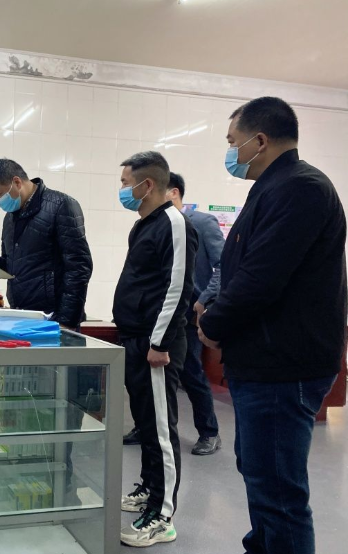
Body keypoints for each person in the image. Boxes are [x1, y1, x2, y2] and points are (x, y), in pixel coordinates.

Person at [198, 97, 347, 554]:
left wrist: (214, 323)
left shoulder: (300, 188)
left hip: (283, 366)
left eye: (232, 142)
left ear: (259, 140)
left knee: (279, 495)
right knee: (262, 477)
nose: (230, 151)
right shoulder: (274, 187)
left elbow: (261, 277)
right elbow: (244, 269)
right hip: (265, 362)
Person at [113, 151, 197, 547]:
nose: (121, 189)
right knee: (146, 424)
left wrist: (159, 343)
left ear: (147, 185)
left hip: (156, 345)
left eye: (125, 183)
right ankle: (149, 488)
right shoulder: (142, 225)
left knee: (162, 430)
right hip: (134, 338)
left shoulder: (175, 224)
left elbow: (178, 287)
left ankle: (163, 516)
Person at [125, 173, 223, 455]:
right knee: (144, 375)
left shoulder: (200, 223)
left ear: (174, 192)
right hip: (154, 312)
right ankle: (145, 427)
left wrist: (204, 299)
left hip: (187, 311)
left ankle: (209, 432)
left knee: (190, 373)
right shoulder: (148, 225)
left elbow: (223, 265)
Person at [0, 158, 92, 329]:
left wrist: (66, 321)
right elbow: (12, 262)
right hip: (22, 315)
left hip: (53, 318)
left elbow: (79, 267)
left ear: (16, 182)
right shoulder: (10, 218)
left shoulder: (61, 205)